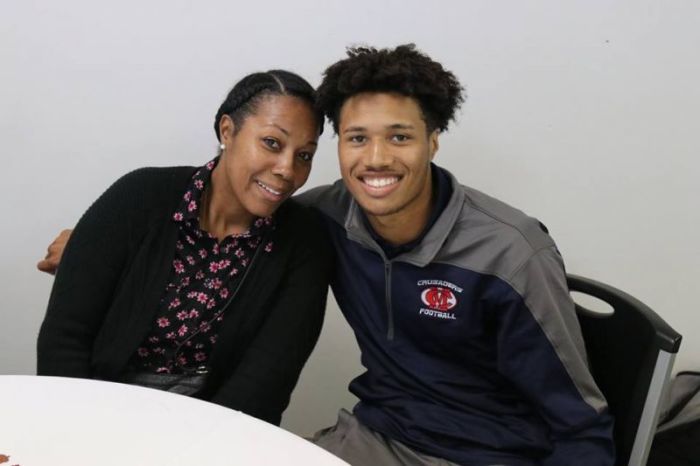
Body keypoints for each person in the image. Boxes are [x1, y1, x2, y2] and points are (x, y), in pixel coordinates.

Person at [39, 45, 615, 465]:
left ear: (434, 140)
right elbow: (93, 301)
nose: (377, 159)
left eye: (401, 136)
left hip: (496, 453)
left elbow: (581, 425)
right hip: (378, 438)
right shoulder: (323, 217)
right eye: (358, 138)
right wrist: (90, 245)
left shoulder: (511, 253)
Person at [36, 69, 333, 427]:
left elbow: (266, 382)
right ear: (228, 130)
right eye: (272, 142)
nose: (288, 169)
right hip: (95, 408)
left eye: (304, 156)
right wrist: (80, 429)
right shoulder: (138, 197)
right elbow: (65, 338)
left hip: (213, 428)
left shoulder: (303, 241)